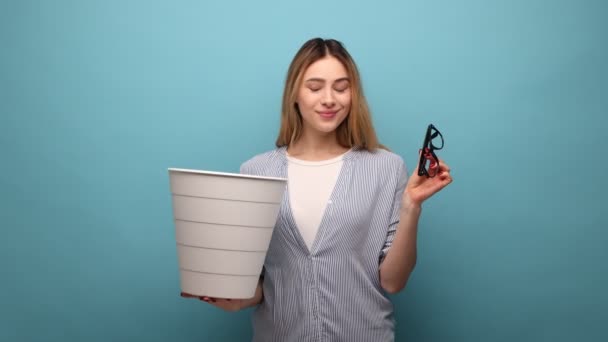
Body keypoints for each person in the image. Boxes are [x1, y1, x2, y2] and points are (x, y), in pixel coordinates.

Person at [181, 37, 452, 341]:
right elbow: (260, 287)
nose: (329, 99)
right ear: (294, 94)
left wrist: (411, 206)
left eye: (341, 87)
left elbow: (393, 281)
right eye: (314, 87)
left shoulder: (386, 167)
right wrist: (233, 299)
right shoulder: (255, 171)